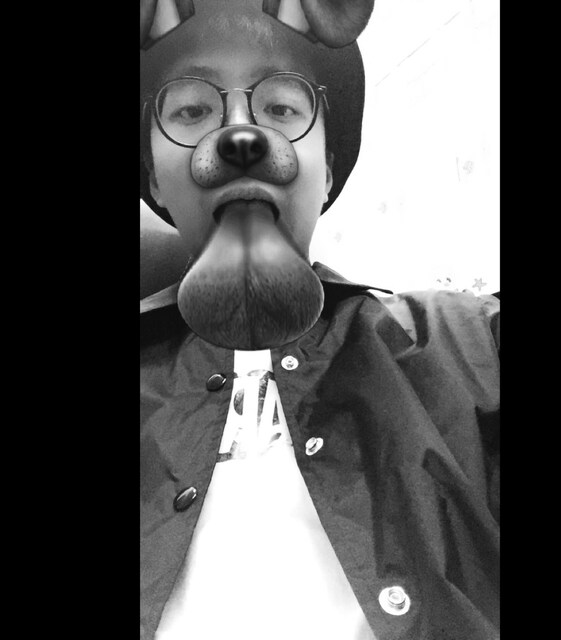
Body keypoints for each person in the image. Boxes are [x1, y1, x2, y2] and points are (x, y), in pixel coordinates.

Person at [140, 1, 500, 639]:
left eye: (282, 109)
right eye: (192, 112)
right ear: (154, 180)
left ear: (328, 169)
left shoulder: (469, 347)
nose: (242, 139)